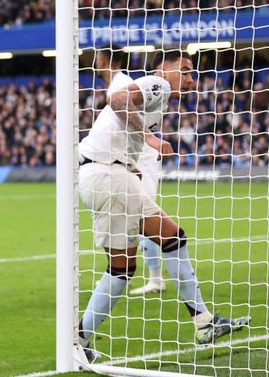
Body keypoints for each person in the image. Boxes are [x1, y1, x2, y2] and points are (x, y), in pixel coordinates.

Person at [77, 49, 250, 361]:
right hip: (108, 176)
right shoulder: (158, 84)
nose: (190, 79)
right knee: (150, 250)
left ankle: (202, 322)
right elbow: (117, 100)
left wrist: (132, 165)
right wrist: (150, 138)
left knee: (138, 259)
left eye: (191, 73)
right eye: (184, 70)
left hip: (109, 175)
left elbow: (116, 126)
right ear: (163, 69)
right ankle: (79, 340)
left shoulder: (160, 97)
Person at [93, 46, 168, 295]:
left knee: (142, 216)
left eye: (97, 57)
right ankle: (123, 273)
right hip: (129, 159)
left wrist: (132, 161)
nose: (94, 61)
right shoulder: (115, 84)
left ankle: (154, 278)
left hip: (141, 158)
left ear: (105, 59)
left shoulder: (122, 84)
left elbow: (132, 122)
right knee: (126, 216)